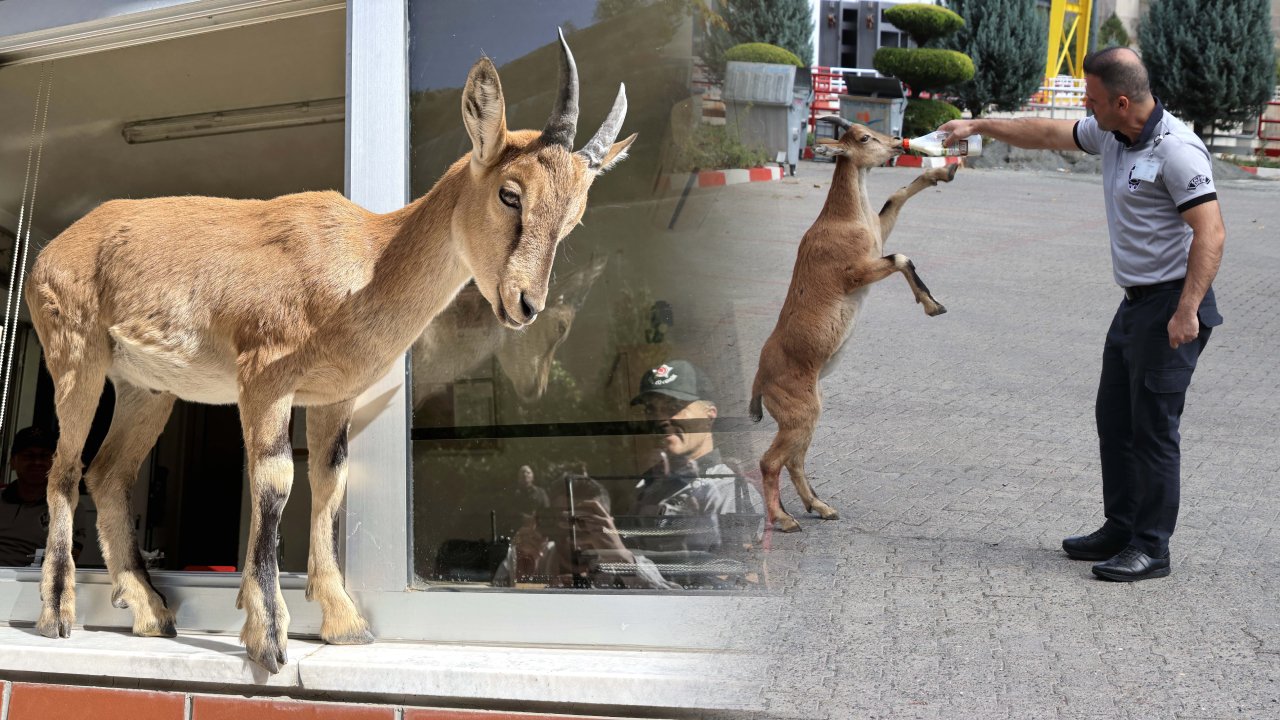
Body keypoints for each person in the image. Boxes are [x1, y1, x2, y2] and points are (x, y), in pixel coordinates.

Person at [939, 47, 1224, 582]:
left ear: (1121, 101)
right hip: (1134, 304)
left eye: (1091, 101)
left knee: (1154, 430)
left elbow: (1212, 233)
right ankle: (1120, 527)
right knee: (1115, 421)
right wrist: (979, 124)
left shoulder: (1178, 150)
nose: (1085, 111)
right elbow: (1047, 134)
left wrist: (1187, 311)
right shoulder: (1111, 132)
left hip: (1172, 304)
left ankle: (1152, 548)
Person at [0, 427, 87, 566]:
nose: (37, 462)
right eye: (28, 456)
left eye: (45, 456)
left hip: (34, 582)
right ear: (13, 462)